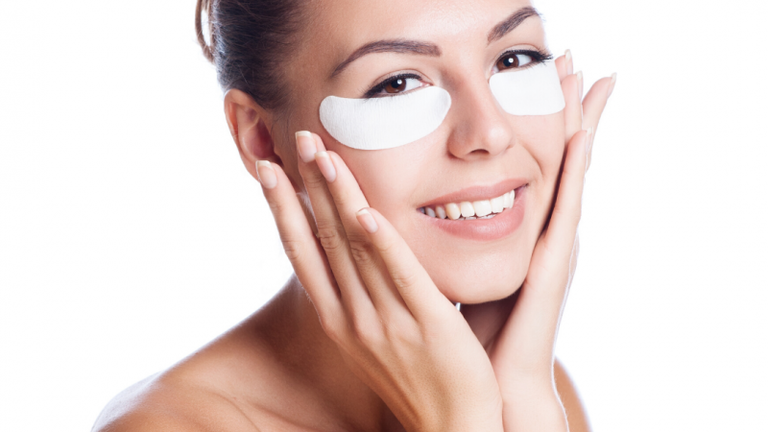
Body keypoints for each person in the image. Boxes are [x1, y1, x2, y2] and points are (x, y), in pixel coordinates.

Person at [92, 0, 615, 430]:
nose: (490, 132)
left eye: (515, 58)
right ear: (263, 140)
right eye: (398, 84)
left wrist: (522, 399)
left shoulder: (526, 389)